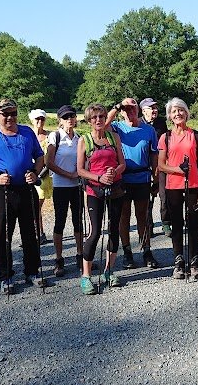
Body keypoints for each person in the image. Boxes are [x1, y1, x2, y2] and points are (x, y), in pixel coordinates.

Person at [0, 98, 46, 295]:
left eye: (13, 113)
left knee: (30, 233)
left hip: (26, 187)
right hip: (2, 190)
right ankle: (5, 275)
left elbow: (39, 156)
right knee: (2, 235)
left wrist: (35, 172)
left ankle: (32, 271)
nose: (10, 117)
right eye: (5, 113)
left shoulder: (26, 132)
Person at [76, 104, 126, 294]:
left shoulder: (114, 137)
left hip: (116, 187)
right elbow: (80, 170)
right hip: (94, 190)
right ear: (89, 121)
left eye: (101, 116)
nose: (98, 120)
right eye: (94, 117)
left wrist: (114, 172)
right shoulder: (84, 140)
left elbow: (122, 163)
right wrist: (99, 178)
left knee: (114, 230)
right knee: (95, 232)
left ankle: (109, 271)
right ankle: (86, 276)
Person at [107, 98, 160, 269]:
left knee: (142, 216)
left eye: (132, 108)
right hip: (123, 179)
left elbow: (154, 156)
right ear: (121, 112)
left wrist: (156, 178)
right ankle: (127, 251)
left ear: (138, 110)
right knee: (124, 216)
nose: (129, 112)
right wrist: (117, 106)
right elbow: (103, 124)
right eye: (126, 109)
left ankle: (146, 250)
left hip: (142, 177)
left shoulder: (149, 130)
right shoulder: (117, 128)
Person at [158, 97, 198, 281]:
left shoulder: (196, 135)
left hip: (193, 185)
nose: (178, 114)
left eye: (181, 110)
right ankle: (178, 260)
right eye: (174, 111)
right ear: (170, 116)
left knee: (194, 223)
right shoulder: (166, 137)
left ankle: (194, 260)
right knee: (177, 224)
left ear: (186, 113)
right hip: (173, 186)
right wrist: (177, 169)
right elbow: (161, 165)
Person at [45, 105, 84, 277]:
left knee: (78, 221)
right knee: (59, 221)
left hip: (77, 185)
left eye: (72, 116)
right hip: (61, 185)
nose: (70, 119)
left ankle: (80, 256)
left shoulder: (79, 138)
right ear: (59, 120)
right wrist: (69, 174)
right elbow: (49, 162)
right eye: (66, 117)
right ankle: (59, 259)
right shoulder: (55, 136)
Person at [140, 97, 170, 238]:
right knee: (147, 198)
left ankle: (165, 222)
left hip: (162, 165)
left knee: (164, 196)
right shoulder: (138, 124)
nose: (155, 110)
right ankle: (149, 225)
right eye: (151, 108)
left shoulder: (161, 123)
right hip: (145, 166)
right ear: (143, 110)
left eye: (156, 108)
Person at [29, 109, 52, 245]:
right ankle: (38, 233)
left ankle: (41, 233)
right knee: (34, 205)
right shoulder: (28, 136)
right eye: (37, 119)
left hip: (47, 175)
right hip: (32, 175)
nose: (40, 121)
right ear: (32, 120)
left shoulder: (50, 136)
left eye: (42, 119)